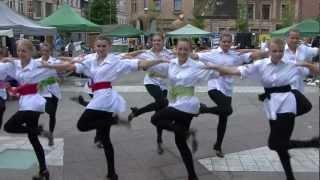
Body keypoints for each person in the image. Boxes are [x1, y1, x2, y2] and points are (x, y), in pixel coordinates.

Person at [43, 34, 167, 180]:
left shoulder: (115, 61)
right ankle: (112, 174)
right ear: (95, 46)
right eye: (98, 46)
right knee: (105, 139)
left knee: (82, 125)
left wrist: (158, 60)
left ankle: (113, 121)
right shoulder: (90, 58)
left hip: (105, 97)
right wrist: (54, 62)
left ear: (109, 47)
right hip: (98, 96)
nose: (101, 49)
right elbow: (72, 63)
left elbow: (140, 65)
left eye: (104, 46)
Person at [206, 38, 319, 180]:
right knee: (280, 145)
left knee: (275, 144)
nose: (278, 54)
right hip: (271, 107)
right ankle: (292, 173)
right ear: (269, 51)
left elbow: (315, 72)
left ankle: (311, 143)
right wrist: (214, 68)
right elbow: (235, 71)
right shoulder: (260, 65)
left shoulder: (292, 64)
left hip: (287, 105)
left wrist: (307, 64)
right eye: (274, 51)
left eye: (280, 51)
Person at [151, 38, 221, 180]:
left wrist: (220, 67)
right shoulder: (172, 64)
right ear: (175, 49)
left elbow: (215, 71)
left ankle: (186, 132)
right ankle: (192, 176)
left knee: (155, 118)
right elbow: (155, 69)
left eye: (185, 49)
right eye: (180, 49)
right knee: (180, 142)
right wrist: (149, 62)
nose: (182, 52)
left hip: (187, 104)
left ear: (190, 51)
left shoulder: (196, 65)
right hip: (175, 102)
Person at [190, 32, 260, 157]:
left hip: (228, 90)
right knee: (227, 110)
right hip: (214, 87)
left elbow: (254, 54)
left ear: (231, 43)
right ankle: (202, 109)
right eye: (224, 41)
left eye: (228, 42)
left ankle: (218, 146)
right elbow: (195, 56)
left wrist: (249, 49)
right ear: (220, 42)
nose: (226, 44)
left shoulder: (236, 55)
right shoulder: (212, 53)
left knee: (224, 118)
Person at [3, 39, 59, 180]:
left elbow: (55, 79)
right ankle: (44, 171)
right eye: (19, 50)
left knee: (9, 126)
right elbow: (18, 75)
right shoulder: (19, 64)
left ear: (31, 52)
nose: (21, 53)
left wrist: (38, 85)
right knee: (33, 139)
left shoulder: (42, 64)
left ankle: (40, 131)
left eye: (24, 50)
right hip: (26, 102)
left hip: (36, 102)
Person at [127, 33, 176, 154]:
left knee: (160, 113)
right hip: (151, 82)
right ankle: (138, 112)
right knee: (163, 102)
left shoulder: (169, 53)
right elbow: (127, 56)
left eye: (159, 40)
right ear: (151, 42)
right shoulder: (146, 54)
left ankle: (159, 141)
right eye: (154, 41)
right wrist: (140, 50)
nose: (156, 43)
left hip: (164, 84)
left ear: (163, 41)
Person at [36, 43, 62, 146]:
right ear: (40, 51)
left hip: (53, 92)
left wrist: (44, 81)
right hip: (41, 92)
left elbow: (60, 79)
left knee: (52, 114)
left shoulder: (55, 62)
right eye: (43, 51)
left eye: (47, 51)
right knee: (38, 111)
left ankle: (50, 134)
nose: (45, 53)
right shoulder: (36, 62)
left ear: (50, 51)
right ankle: (38, 129)